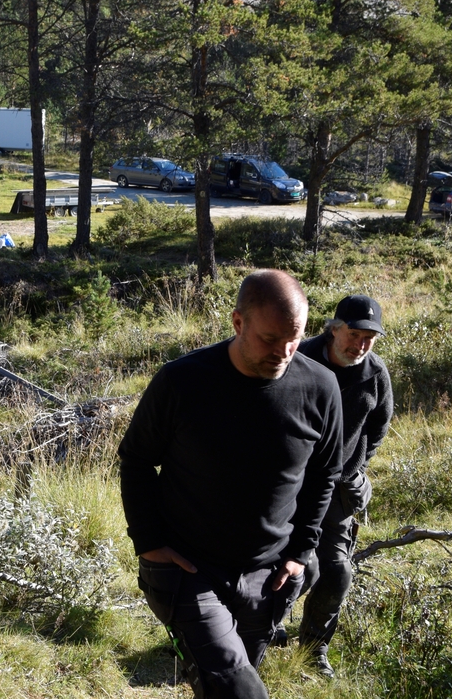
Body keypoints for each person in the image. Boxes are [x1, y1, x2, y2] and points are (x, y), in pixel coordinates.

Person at [118, 269, 344, 699]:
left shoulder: (320, 386)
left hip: (271, 575)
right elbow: (137, 460)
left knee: (230, 680)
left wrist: (300, 553)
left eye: (294, 338)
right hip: (190, 570)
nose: (284, 351)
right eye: (270, 338)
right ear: (238, 322)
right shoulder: (182, 380)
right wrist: (148, 543)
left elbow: (323, 474)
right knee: (239, 688)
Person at [277, 294, 393, 678]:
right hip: (288, 482)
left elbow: (377, 427)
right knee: (295, 564)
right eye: (354, 334)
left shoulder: (374, 374)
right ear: (334, 327)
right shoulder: (298, 360)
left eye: (369, 338)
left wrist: (356, 469)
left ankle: (313, 648)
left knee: (337, 570)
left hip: (337, 489)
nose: (360, 345)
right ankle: (256, 629)